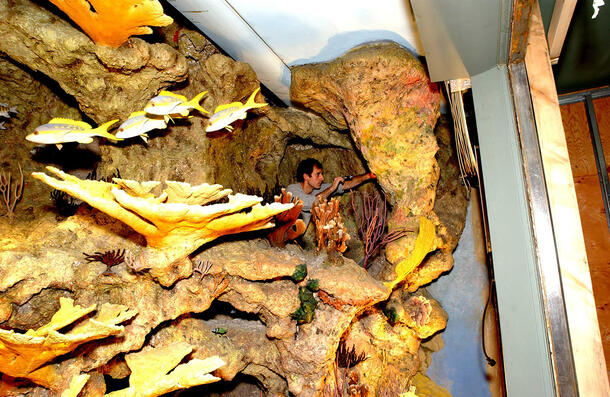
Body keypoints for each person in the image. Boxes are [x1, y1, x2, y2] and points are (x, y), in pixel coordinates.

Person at [286, 158, 376, 225]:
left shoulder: (318, 188)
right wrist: (332, 188)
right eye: (318, 174)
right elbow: (310, 203)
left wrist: (368, 176)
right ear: (306, 176)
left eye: (322, 174)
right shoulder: (291, 190)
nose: (322, 178)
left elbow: (346, 185)